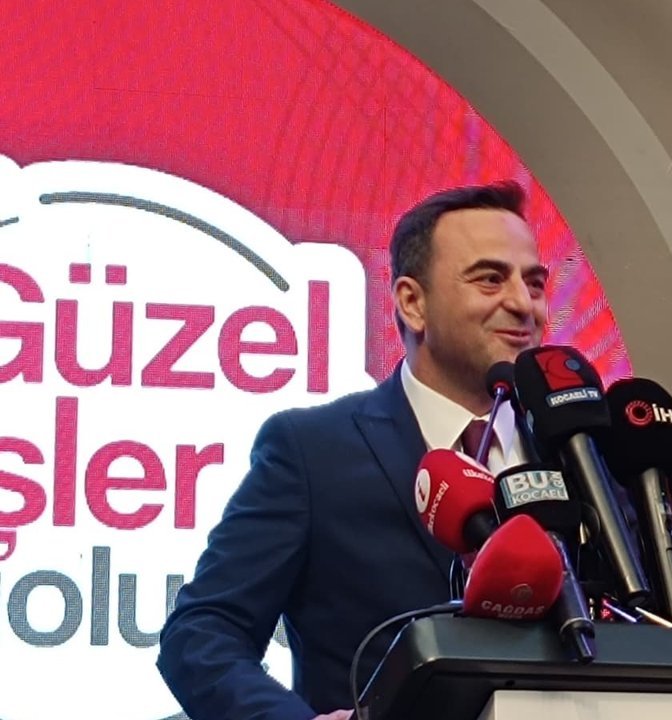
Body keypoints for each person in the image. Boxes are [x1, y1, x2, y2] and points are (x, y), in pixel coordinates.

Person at [157, 181, 549, 720]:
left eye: (535, 283)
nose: (523, 304)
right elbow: (201, 634)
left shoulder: (583, 456)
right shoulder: (313, 451)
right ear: (412, 303)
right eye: (490, 279)